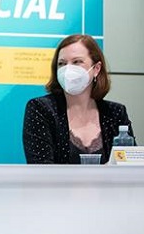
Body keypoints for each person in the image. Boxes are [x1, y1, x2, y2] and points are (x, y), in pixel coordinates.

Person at [22, 34, 134, 164]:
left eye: (77, 62)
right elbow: (41, 169)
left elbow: (131, 167)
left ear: (96, 69)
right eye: (62, 64)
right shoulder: (41, 109)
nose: (68, 69)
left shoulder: (115, 113)